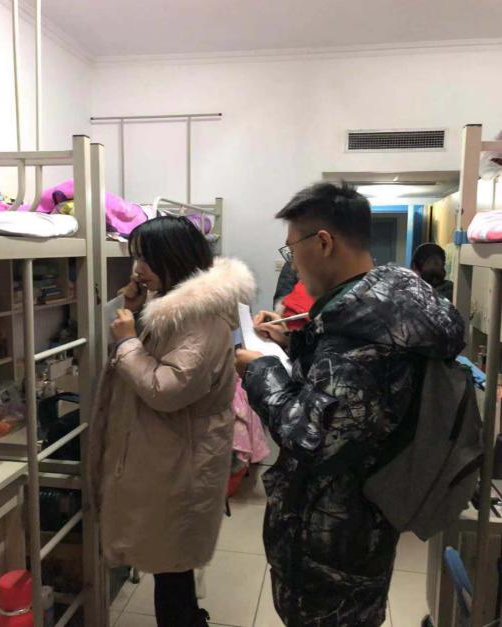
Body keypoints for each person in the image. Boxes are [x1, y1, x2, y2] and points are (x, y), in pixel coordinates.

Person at [235, 182, 465, 627]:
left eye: (291, 249)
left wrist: (259, 370)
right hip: (357, 529)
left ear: (323, 242)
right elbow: (345, 386)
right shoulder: (384, 303)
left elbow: (313, 438)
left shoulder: (361, 329)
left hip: (334, 546)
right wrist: (292, 341)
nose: (292, 263)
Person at [89, 216, 255, 627]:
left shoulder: (200, 319)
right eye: (135, 258)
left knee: (173, 566)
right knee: (172, 565)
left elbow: (166, 388)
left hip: (180, 458)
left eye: (145, 259)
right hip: (167, 450)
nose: (137, 269)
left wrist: (128, 341)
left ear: (174, 258)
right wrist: (130, 310)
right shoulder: (172, 306)